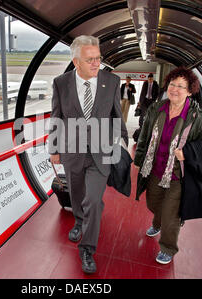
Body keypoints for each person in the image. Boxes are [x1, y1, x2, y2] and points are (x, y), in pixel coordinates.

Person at [48, 35, 128, 274]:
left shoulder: (111, 81)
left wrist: (120, 139)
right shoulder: (61, 83)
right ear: (76, 62)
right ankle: (80, 221)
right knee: (77, 194)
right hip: (72, 152)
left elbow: (116, 114)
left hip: (100, 153)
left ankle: (87, 248)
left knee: (94, 199)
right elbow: (56, 116)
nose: (96, 64)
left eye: (98, 58)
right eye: (90, 59)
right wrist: (54, 148)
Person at [133, 66, 202, 265]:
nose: (175, 89)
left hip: (178, 175)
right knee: (153, 203)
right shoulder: (157, 108)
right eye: (172, 84)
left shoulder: (197, 117)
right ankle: (157, 222)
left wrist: (187, 152)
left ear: (190, 91)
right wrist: (138, 160)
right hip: (155, 168)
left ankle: (168, 247)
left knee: (172, 213)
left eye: (181, 86)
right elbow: (145, 135)